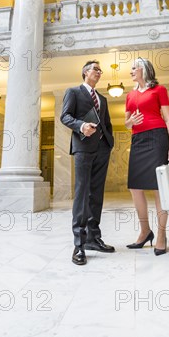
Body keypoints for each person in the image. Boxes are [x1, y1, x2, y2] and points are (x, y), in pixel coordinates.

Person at [61, 60, 115, 266]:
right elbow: (64, 116)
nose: (99, 72)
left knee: (97, 194)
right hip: (83, 147)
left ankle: (93, 238)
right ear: (85, 72)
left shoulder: (102, 98)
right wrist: (81, 125)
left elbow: (107, 123)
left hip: (102, 149)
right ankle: (79, 244)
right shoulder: (73, 92)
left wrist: (109, 142)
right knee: (82, 194)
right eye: (95, 69)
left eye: (101, 70)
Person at [125, 57, 169, 256]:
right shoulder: (129, 95)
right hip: (137, 140)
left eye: (133, 68)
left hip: (157, 138)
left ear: (144, 70)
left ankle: (162, 235)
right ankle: (145, 230)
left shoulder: (159, 90)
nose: (130, 72)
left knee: (158, 188)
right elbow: (126, 123)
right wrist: (131, 121)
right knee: (135, 187)